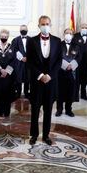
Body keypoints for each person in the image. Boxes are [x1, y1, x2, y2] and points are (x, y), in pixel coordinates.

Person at [27, 15, 61, 145]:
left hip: (51, 82)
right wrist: (41, 75)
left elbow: (59, 61)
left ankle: (46, 135)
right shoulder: (32, 41)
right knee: (35, 110)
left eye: (47, 23)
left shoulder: (57, 41)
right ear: (39, 25)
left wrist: (50, 76)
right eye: (43, 24)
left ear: (50, 25)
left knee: (48, 110)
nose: (45, 26)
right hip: (37, 82)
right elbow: (29, 62)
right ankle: (34, 135)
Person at [56, 28, 82, 117]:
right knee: (60, 91)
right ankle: (59, 109)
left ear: (73, 35)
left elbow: (79, 57)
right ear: (64, 34)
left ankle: (68, 109)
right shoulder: (59, 44)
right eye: (67, 33)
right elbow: (56, 57)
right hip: (61, 71)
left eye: (70, 33)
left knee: (70, 91)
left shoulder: (77, 45)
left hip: (72, 72)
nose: (68, 34)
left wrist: (72, 65)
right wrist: (65, 65)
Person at [0, 29, 16, 117]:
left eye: (5, 37)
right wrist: (0, 70)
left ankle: (6, 112)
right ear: (0, 36)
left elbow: (14, 61)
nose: (3, 38)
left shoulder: (12, 47)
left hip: (8, 76)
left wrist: (7, 71)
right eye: (2, 37)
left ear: (8, 37)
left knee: (7, 94)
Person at [73, 23, 87, 100]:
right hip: (77, 61)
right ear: (80, 28)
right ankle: (75, 95)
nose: (84, 28)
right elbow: (72, 49)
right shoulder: (75, 36)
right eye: (83, 27)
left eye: (85, 27)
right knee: (77, 78)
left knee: (85, 78)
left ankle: (83, 94)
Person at [11, 25, 31, 98]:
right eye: (22, 29)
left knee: (28, 77)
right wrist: (22, 58)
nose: (23, 30)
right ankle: (18, 92)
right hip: (19, 62)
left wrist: (28, 57)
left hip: (28, 62)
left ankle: (26, 92)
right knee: (18, 77)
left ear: (27, 30)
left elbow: (34, 50)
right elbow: (14, 50)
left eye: (24, 29)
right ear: (19, 30)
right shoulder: (15, 40)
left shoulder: (31, 40)